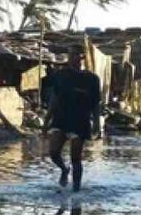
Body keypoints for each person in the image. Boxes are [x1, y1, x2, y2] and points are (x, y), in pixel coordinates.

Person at [43, 48, 101, 191]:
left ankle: (76, 190)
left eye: (77, 55)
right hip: (61, 119)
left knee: (76, 158)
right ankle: (64, 169)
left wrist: (97, 123)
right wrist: (46, 120)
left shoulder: (92, 79)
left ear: (82, 58)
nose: (74, 58)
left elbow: (95, 103)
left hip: (80, 121)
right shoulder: (61, 75)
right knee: (53, 152)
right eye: (71, 55)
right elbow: (54, 99)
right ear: (68, 58)